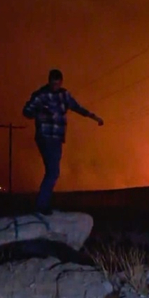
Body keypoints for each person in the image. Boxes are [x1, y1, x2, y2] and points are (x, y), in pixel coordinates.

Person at [22, 69, 103, 215]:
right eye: (53, 84)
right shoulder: (41, 95)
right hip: (45, 137)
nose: (55, 87)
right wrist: (38, 112)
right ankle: (42, 205)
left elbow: (77, 107)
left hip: (57, 138)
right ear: (49, 82)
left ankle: (43, 204)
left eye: (57, 84)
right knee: (53, 171)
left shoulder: (64, 95)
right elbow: (27, 111)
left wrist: (94, 117)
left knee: (53, 171)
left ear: (61, 83)